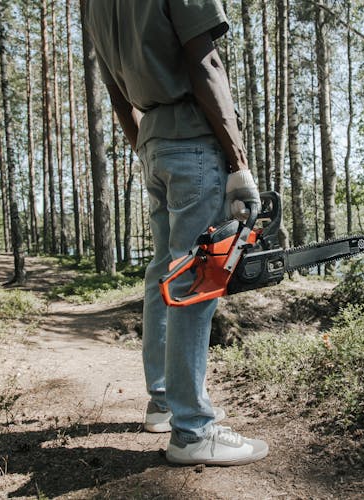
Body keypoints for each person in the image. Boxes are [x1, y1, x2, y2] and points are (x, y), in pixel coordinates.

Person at [83, 0, 268, 466]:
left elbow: (116, 92)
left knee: (164, 273)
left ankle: (165, 402)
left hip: (155, 142)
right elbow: (204, 59)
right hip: (193, 141)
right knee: (193, 281)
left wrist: (146, 149)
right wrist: (240, 162)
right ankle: (193, 430)